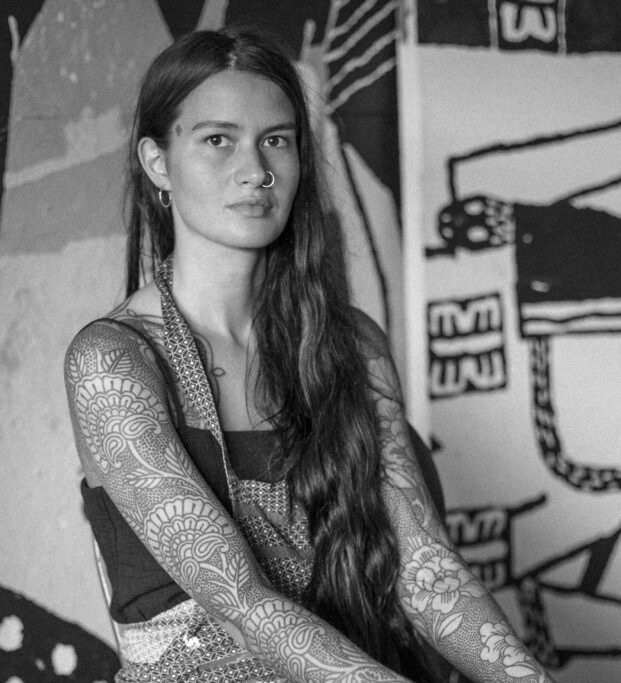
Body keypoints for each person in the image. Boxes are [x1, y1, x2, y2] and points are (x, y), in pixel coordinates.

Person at [63, 27, 553, 682]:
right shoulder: (113, 361)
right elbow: (244, 605)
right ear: (157, 162)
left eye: (277, 140)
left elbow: (425, 568)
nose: (256, 170)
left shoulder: (349, 342)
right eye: (218, 140)